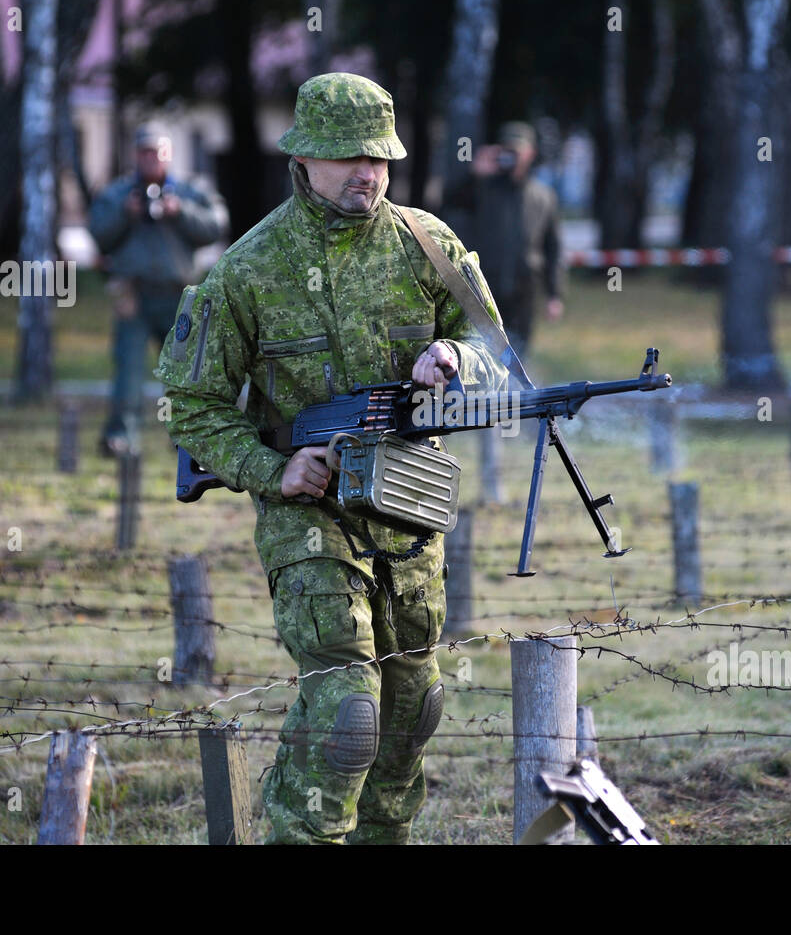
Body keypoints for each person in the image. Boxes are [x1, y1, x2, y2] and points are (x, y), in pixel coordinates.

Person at [153, 73, 510, 844]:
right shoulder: (249, 268)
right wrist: (271, 469)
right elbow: (194, 405)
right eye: (350, 156)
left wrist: (453, 353)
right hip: (309, 519)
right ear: (303, 158)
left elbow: (493, 348)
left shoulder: (428, 244)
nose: (369, 172)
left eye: (380, 156)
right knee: (349, 709)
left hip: (410, 510)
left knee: (413, 708)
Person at [88, 122, 229, 456]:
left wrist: (179, 212)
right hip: (132, 295)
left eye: (157, 151)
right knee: (130, 368)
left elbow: (216, 225)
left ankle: (183, 437)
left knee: (182, 373)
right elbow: (97, 233)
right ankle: (121, 437)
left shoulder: (190, 191)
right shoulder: (118, 194)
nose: (151, 158)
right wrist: (126, 214)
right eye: (144, 152)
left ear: (168, 153)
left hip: (178, 296)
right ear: (136, 155)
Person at [467, 121, 565, 362]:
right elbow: (448, 204)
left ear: (530, 153)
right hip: (485, 287)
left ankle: (519, 397)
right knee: (483, 352)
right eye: (506, 150)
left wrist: (554, 295)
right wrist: (474, 174)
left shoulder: (543, 196)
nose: (511, 156)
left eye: (516, 150)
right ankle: (487, 397)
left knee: (520, 354)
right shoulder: (481, 188)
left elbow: (553, 250)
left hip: (525, 291)